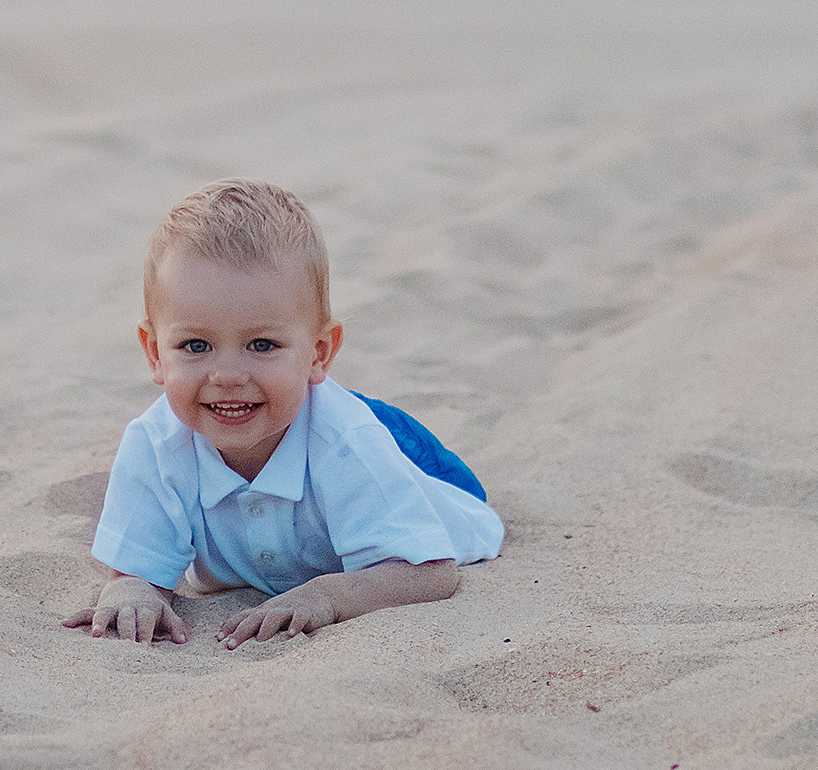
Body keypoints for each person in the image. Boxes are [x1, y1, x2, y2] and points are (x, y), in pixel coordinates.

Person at [65, 179, 505, 649]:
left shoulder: (347, 443)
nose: (228, 375)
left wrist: (327, 596)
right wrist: (133, 588)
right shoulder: (155, 444)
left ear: (319, 352)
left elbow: (431, 574)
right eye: (196, 345)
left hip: (420, 469)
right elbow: (137, 568)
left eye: (262, 345)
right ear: (155, 352)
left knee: (376, 438)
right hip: (311, 412)